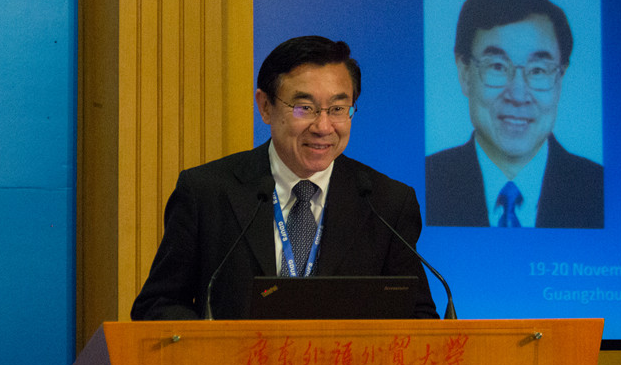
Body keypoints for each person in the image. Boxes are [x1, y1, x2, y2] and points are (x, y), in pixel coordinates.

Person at [132, 35, 438, 320]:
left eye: (337, 108)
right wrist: (216, 346)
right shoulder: (207, 192)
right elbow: (158, 305)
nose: (323, 127)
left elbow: (418, 316)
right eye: (305, 108)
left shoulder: (386, 203)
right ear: (265, 106)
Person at [426, 0, 603, 228]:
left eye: (538, 70)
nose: (518, 95)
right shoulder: (424, 183)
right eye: (497, 66)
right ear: (464, 73)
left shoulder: (599, 190)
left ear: (560, 78)